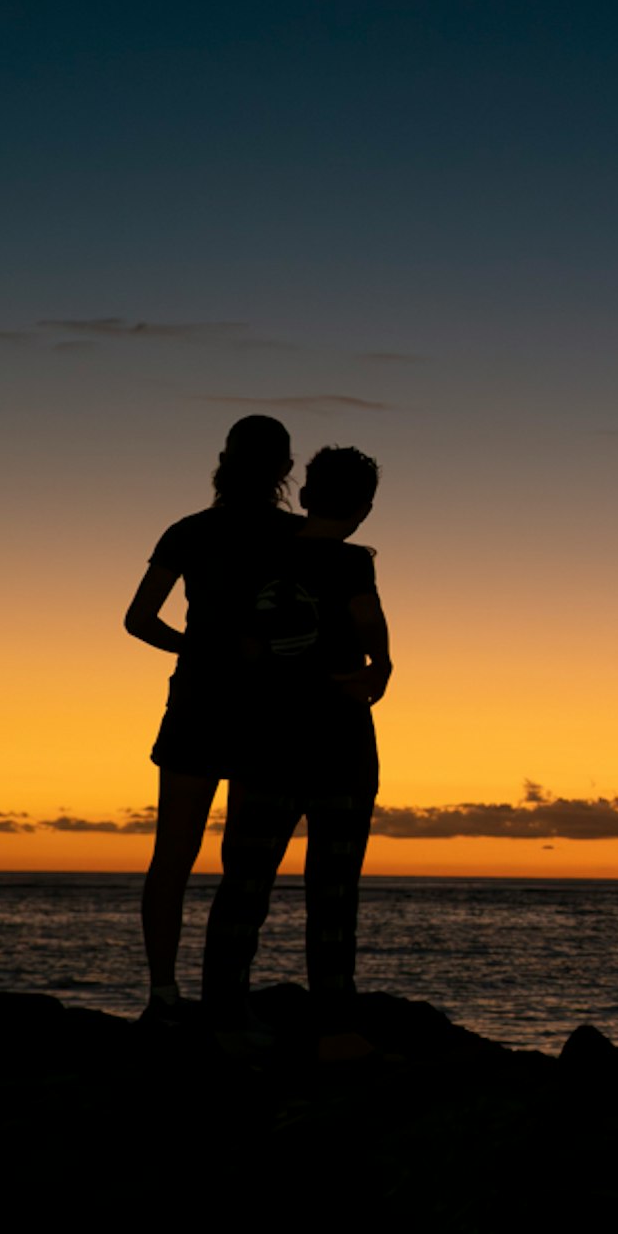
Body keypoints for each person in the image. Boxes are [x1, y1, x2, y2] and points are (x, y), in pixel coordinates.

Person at [207, 445, 391, 1058]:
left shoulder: (257, 557)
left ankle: (227, 1019)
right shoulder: (351, 563)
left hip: (270, 744)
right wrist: (382, 668)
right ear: (364, 508)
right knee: (333, 895)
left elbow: (241, 642)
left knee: (245, 888)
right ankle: (334, 1024)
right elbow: (369, 624)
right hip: (336, 744)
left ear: (307, 496)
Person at [122, 416, 301, 1019]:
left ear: (224, 460)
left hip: (201, 700)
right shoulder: (299, 540)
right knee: (244, 865)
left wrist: (197, 649)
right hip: (266, 708)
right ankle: (224, 997)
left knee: (173, 854)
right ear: (284, 469)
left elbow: (140, 620)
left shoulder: (191, 531)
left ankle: (164, 995)